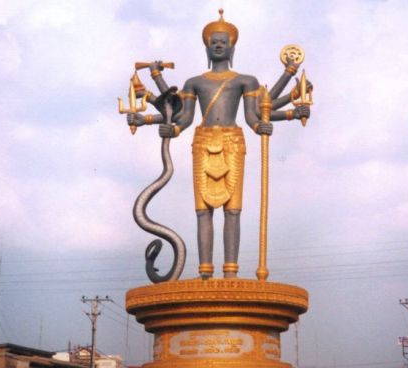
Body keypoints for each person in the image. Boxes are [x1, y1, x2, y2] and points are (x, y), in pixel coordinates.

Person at [128, 9, 310, 279]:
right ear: (207, 48)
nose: (218, 46)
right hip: (202, 142)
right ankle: (205, 273)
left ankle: (230, 274)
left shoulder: (244, 80)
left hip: (232, 142)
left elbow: (252, 116)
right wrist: (168, 126)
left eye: (223, 42)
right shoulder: (194, 82)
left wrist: (272, 121)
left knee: (232, 210)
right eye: (213, 42)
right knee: (203, 211)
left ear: (232, 47)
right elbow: (185, 117)